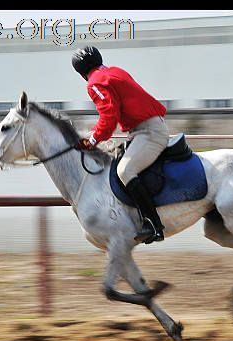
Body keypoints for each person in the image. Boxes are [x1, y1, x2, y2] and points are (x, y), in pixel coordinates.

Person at [72, 46, 168, 243]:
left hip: (148, 132)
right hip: (142, 130)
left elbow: (109, 118)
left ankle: (153, 224)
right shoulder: (115, 71)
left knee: (125, 171)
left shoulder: (95, 82)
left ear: (81, 72)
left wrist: (92, 140)